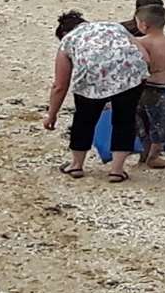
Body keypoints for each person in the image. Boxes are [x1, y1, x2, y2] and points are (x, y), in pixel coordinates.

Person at [44, 10, 149, 183]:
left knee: (84, 120)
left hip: (90, 79)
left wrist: (52, 114)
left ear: (63, 33)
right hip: (129, 75)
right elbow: (145, 56)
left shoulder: (67, 40)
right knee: (124, 120)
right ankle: (117, 170)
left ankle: (76, 165)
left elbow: (60, 85)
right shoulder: (114, 27)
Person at [130, 2, 165, 170]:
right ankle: (153, 156)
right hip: (160, 90)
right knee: (160, 126)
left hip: (139, 89)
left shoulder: (138, 42)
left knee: (141, 123)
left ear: (144, 24)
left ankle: (143, 154)